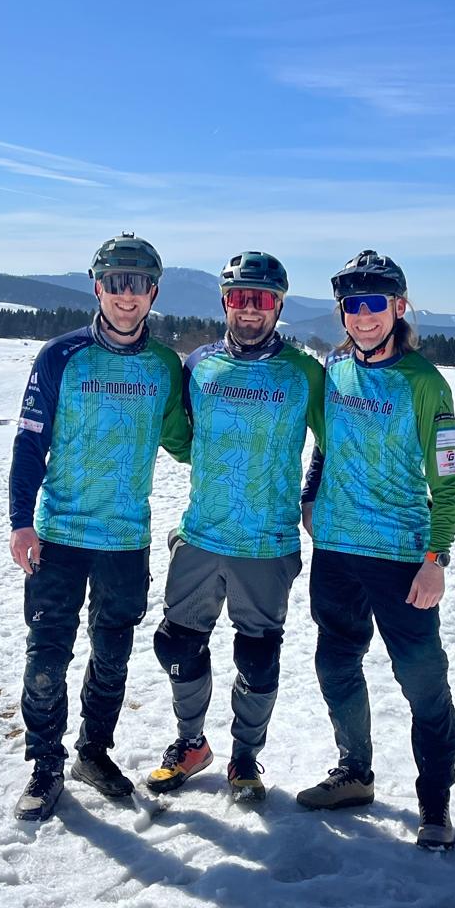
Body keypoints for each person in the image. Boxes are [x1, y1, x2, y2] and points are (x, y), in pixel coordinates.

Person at [8, 234, 192, 822]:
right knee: (47, 654)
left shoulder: (164, 366)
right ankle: (44, 763)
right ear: (98, 287)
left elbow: (184, 440)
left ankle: (93, 751)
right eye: (116, 282)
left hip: (125, 541)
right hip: (59, 535)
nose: (126, 296)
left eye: (138, 284)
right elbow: (30, 441)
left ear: (154, 292)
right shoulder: (60, 356)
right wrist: (20, 523)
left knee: (112, 654)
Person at [297, 250, 455, 851]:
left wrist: (435, 559)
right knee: (335, 664)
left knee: (422, 681)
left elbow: (449, 481)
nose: (364, 316)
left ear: (398, 308)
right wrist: (309, 496)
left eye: (376, 304)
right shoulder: (335, 371)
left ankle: (435, 804)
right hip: (337, 551)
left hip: (401, 556)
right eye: (352, 305)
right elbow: (325, 444)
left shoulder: (425, 384)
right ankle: (355, 774)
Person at [146, 252, 324, 803]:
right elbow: (180, 437)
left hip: (267, 545)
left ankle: (245, 758)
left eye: (263, 300)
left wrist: (309, 494)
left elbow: (334, 442)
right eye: (240, 298)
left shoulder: (304, 372)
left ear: (279, 305)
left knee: (257, 656)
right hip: (201, 535)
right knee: (177, 645)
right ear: (225, 301)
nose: (250, 311)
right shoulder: (198, 364)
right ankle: (191, 744)